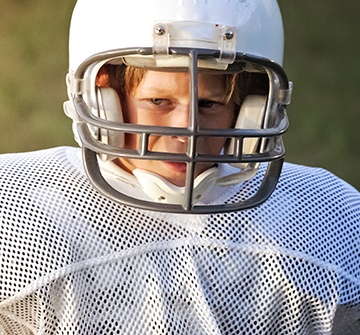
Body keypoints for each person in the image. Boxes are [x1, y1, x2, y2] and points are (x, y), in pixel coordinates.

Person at [0, 0, 359, 334]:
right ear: (102, 98)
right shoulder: (19, 209)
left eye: (208, 103)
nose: (187, 129)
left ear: (252, 107)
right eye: (158, 100)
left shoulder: (329, 215)